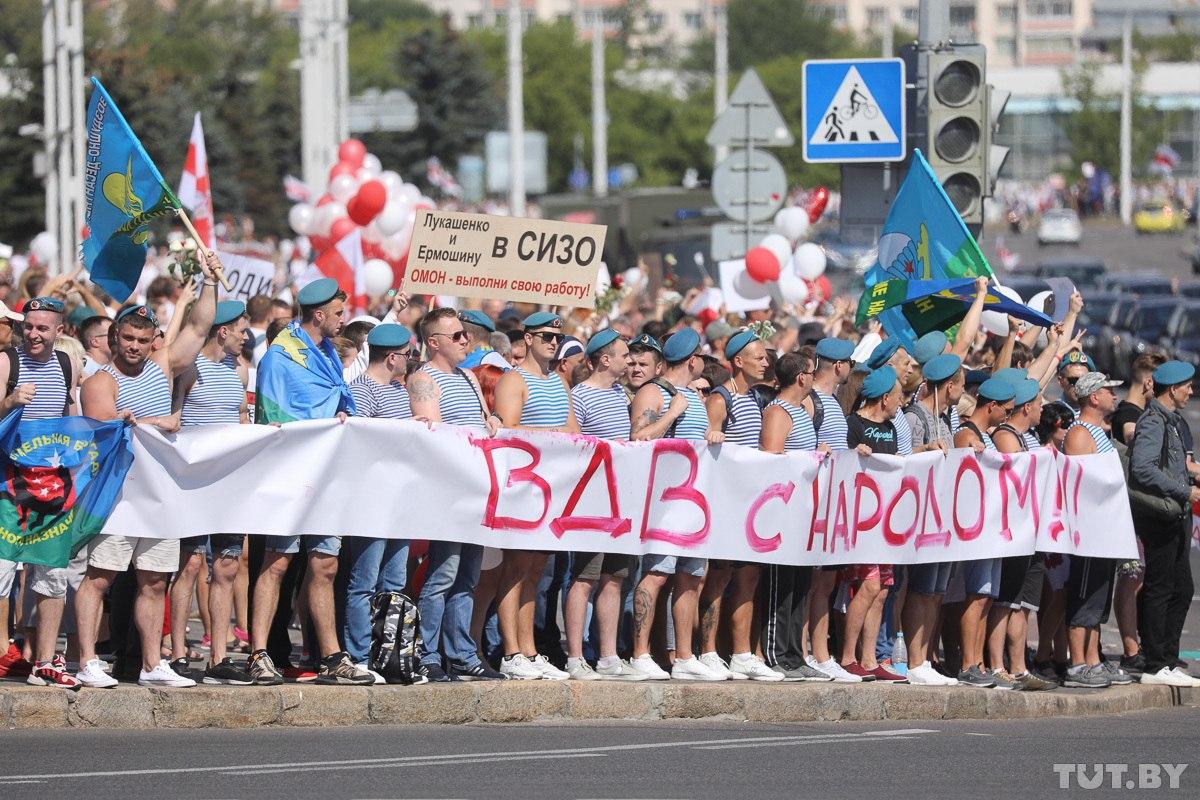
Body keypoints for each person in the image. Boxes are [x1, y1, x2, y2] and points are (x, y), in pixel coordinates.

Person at [75, 253, 221, 688]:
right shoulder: (100, 380)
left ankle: (152, 665)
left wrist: (211, 282)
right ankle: (86, 660)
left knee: (155, 581)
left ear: (153, 339)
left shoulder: (160, 368)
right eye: (127, 338)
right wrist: (162, 422)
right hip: (118, 497)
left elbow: (198, 327)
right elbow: (109, 430)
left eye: (142, 338)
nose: (135, 346)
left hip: (159, 496)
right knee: (100, 577)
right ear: (115, 338)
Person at [247, 277, 372, 687]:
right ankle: (259, 653)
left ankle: (332, 655)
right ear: (319, 315)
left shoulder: (326, 353)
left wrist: (338, 418)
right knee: (278, 562)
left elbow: (335, 398)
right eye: (338, 313)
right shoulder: (280, 357)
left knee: (326, 564)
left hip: (325, 474)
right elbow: (271, 418)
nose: (343, 320)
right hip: (290, 475)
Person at [407, 307, 505, 682]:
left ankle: (462, 652)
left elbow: (480, 420)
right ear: (434, 343)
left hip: (475, 486)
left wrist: (491, 422)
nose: (466, 340)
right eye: (457, 336)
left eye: (465, 334)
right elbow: (436, 431)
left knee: (468, 575)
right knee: (443, 573)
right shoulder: (423, 379)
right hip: (448, 488)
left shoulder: (467, 376)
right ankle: (429, 653)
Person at [628, 328, 721, 680]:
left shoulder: (693, 396)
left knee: (691, 577)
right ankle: (640, 653)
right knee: (657, 575)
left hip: (694, 503)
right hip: (663, 502)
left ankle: (684, 656)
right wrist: (671, 414)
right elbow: (638, 436)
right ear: (693, 360)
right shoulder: (655, 392)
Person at [170, 300, 252, 685]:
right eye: (241, 329)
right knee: (188, 565)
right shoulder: (189, 369)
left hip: (229, 487)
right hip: (193, 483)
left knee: (227, 567)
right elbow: (175, 418)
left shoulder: (240, 371)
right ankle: (178, 651)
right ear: (222, 331)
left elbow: (242, 423)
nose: (246, 336)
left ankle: (218, 656)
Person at [493, 312, 578, 681]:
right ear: (527, 339)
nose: (552, 343)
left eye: (557, 338)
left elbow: (574, 431)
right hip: (522, 487)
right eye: (545, 336)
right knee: (515, 570)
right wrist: (554, 432)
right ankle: (511, 651)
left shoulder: (559, 381)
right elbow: (509, 430)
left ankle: (529, 649)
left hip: (553, 488)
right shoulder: (514, 379)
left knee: (536, 572)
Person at [0, 296, 79, 688]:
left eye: (42, 328)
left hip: (52, 484)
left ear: (59, 331)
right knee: (1, 571)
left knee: (51, 575)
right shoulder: (6, 362)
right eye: (28, 326)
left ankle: (45, 661)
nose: (33, 334)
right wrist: (10, 401)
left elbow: (72, 420)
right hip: (9, 482)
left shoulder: (68, 363)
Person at [561, 328, 645, 682]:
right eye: (625, 355)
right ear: (605, 359)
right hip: (591, 500)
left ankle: (608, 655)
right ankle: (576, 656)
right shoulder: (578, 396)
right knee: (584, 578)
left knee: (614, 579)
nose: (630, 361)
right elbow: (573, 442)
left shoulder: (622, 395)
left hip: (620, 501)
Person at [698, 330, 781, 681]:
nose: (766, 362)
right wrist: (715, 435)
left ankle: (743, 652)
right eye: (759, 357)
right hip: (726, 502)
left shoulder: (761, 399)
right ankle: (707, 650)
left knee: (749, 576)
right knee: (719, 576)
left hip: (753, 503)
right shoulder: (720, 398)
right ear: (738, 362)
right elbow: (708, 439)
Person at [343, 323, 422, 683]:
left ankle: (388, 654)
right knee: (364, 581)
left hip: (400, 501)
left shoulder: (398, 390)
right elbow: (363, 443)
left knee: (394, 582)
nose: (409, 361)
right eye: (406, 355)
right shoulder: (361, 390)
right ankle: (359, 657)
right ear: (392, 358)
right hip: (372, 500)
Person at [758, 351, 831, 682]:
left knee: (800, 585)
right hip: (781, 511)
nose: (814, 378)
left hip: (804, 511)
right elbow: (772, 458)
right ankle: (775, 653)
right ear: (801, 377)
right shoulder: (777, 411)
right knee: (780, 584)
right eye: (812, 373)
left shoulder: (803, 411)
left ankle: (793, 653)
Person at [1060, 371, 1134, 689]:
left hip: (1106, 530)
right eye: (1108, 391)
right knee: (1084, 594)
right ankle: (1077, 663)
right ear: (1093, 397)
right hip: (1089, 531)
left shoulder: (1096, 431)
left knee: (1098, 599)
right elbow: (1078, 484)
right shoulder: (1079, 433)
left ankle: (1093, 659)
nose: (1114, 396)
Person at [1129, 361, 1200, 687]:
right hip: (1160, 516)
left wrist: (1190, 476)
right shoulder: (1154, 421)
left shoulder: (1171, 421)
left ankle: (1168, 659)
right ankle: (1155, 664)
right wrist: (1184, 489)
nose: (1190, 391)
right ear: (1172, 388)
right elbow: (1142, 469)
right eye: (1187, 385)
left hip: (1177, 514)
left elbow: (1170, 466)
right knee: (1160, 588)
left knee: (1182, 587)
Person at [987, 378, 1056, 691]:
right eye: (1040, 404)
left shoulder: (1027, 437)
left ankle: (1018, 667)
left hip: (1033, 533)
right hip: (1013, 533)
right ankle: (997, 665)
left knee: (1024, 604)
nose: (1042, 409)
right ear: (1027, 406)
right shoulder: (1005, 435)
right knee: (1005, 602)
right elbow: (1017, 474)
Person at [840, 366, 905, 683]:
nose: (900, 402)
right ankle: (848, 656)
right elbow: (840, 464)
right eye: (898, 396)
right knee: (867, 587)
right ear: (884, 398)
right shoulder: (853, 425)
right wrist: (854, 454)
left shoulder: (891, 429)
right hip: (861, 523)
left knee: (881, 592)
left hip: (886, 525)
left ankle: (869, 659)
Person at [901, 353, 962, 686]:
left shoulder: (946, 419)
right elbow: (903, 463)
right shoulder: (916, 418)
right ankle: (913, 659)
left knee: (937, 591)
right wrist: (925, 450)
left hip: (943, 517)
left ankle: (925, 657)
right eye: (960, 387)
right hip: (923, 517)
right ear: (949, 386)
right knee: (922, 589)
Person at [952, 377, 1016, 688]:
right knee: (976, 595)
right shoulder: (967, 434)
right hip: (977, 529)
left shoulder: (987, 436)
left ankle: (977, 662)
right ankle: (968, 663)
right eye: (1006, 410)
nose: (1008, 416)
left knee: (987, 597)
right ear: (991, 406)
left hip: (993, 528)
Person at [805, 337, 860, 682]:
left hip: (833, 503)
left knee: (825, 581)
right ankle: (808, 652)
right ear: (839, 366)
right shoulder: (814, 403)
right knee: (814, 582)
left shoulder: (834, 403)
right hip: (816, 503)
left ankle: (820, 653)